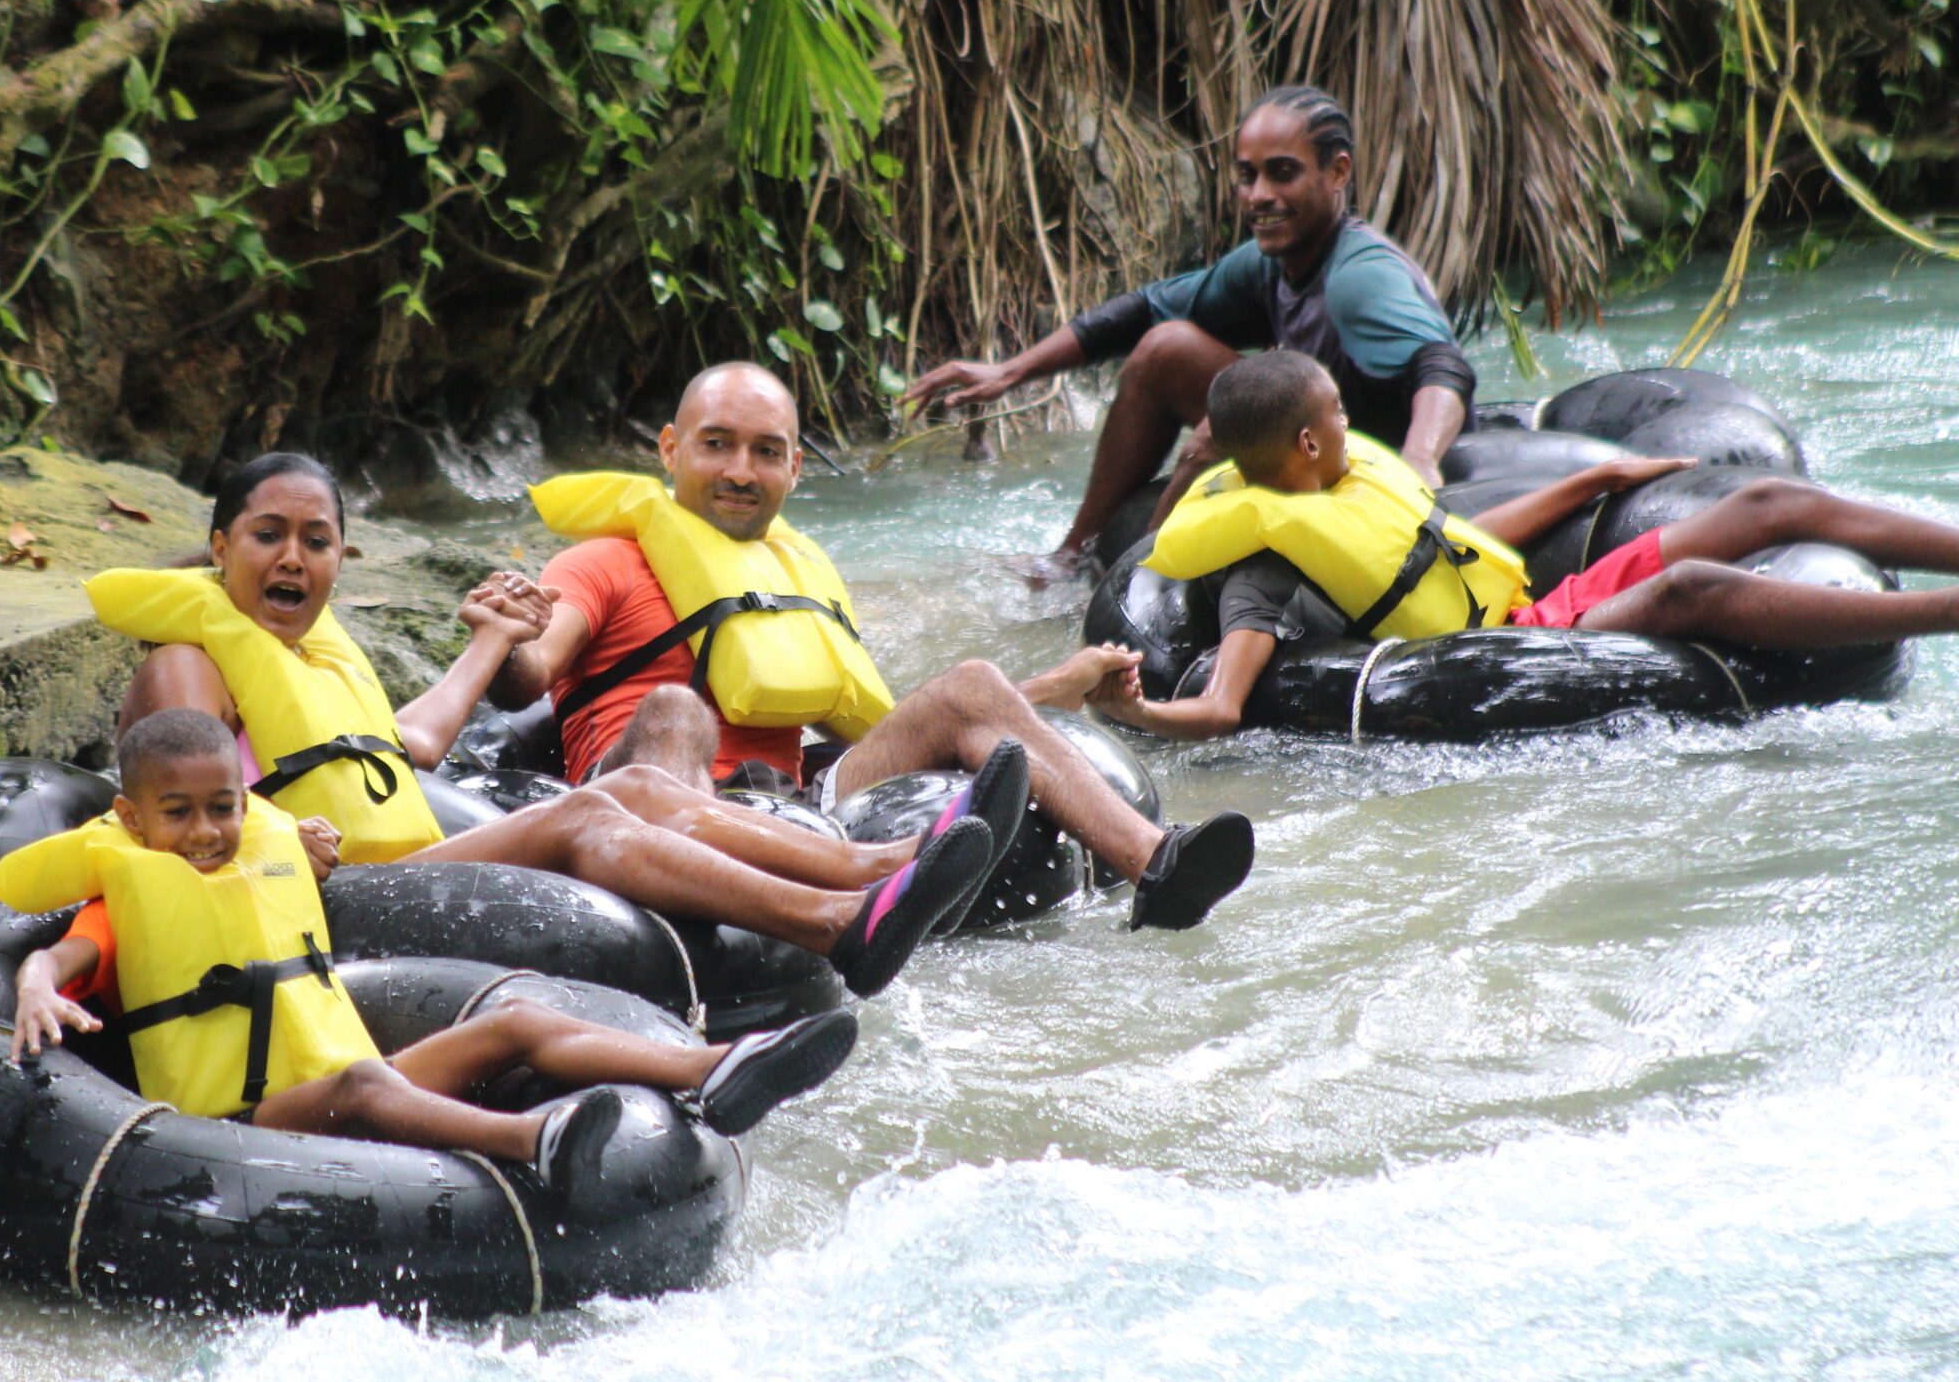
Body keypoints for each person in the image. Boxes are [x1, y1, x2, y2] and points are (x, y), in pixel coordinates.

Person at [93, 453, 1010, 998]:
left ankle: (883, 866)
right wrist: (283, 832)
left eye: (317, 540)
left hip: (395, 866)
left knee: (640, 786)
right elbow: (180, 827)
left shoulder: (308, 658)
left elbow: (403, 749)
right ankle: (838, 923)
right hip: (305, 902)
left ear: (340, 556)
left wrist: (490, 640)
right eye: (267, 535)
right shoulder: (189, 660)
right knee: (586, 816)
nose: (293, 558)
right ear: (220, 549)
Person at [488, 360, 1256, 933]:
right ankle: (793, 910)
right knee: (674, 709)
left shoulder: (799, 576)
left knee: (969, 681)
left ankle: (1159, 862)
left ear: (794, 464)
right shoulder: (602, 561)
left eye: (764, 451)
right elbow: (529, 677)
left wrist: (1062, 683)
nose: (738, 471)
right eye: (715, 445)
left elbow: (884, 721)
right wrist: (507, 638)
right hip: (643, 807)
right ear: (669, 448)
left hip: (788, 810)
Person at [0, 709, 858, 1185]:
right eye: (176, 813)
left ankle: (721, 1065)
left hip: (336, 1080)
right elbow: (59, 961)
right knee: (371, 1080)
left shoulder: (267, 855)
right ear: (132, 818)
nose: (206, 831)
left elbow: (289, 868)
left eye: (223, 806)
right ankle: (532, 1141)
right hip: (233, 1121)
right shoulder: (126, 898)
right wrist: (36, 989)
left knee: (517, 1019)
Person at [1098, 350, 1959, 740]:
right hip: (1513, 650)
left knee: (1767, 499)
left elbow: (1447, 548)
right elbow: (1220, 708)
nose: (1351, 423)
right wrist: (1135, 710)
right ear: (1310, 443)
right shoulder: (1266, 563)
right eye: (1339, 414)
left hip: (1532, 605)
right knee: (1686, 587)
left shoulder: (1350, 484)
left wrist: (1588, 486)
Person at [901, 85, 1475, 578]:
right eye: (1247, 176)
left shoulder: (1361, 276)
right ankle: (1074, 558)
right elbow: (1145, 310)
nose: (1259, 196)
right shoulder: (1269, 264)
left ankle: (1113, 564)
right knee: (1167, 349)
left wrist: (1421, 461)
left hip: (1365, 456)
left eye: (1283, 173)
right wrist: (1010, 371)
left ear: (1338, 172)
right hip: (1305, 432)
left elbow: (1441, 364)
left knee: (1179, 358)